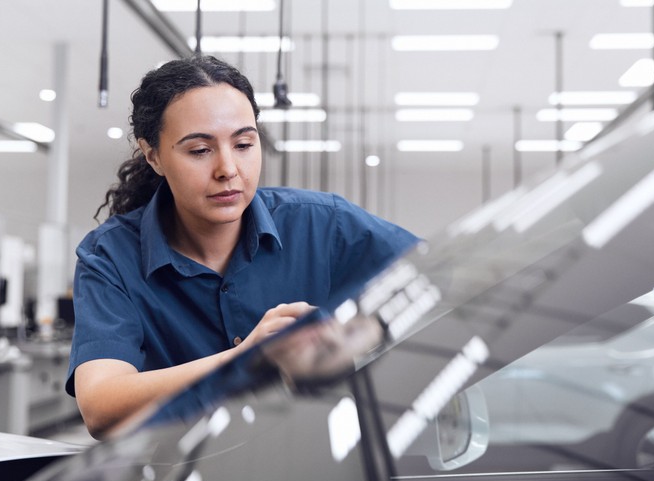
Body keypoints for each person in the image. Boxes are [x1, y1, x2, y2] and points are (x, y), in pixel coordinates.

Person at [66, 55, 419, 439]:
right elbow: (101, 407)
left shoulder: (324, 224)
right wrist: (247, 358)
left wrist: (360, 333)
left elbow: (446, 286)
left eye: (244, 144)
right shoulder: (111, 256)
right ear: (153, 156)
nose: (228, 169)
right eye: (200, 150)